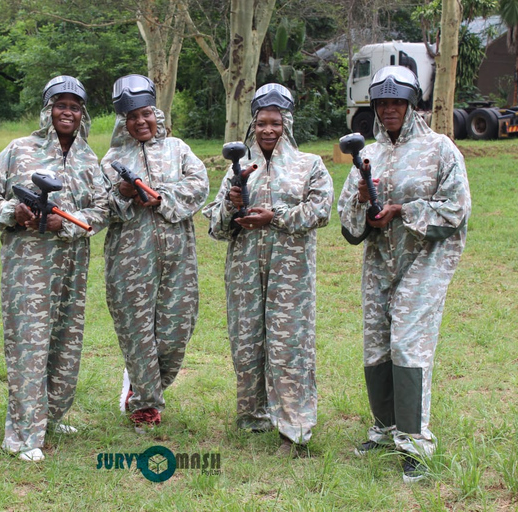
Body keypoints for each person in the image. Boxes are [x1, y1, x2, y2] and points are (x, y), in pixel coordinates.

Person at [337, 66, 471, 483]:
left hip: (425, 261)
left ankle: (414, 444)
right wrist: (364, 205)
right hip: (380, 262)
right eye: (382, 102)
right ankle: (384, 429)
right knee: (376, 343)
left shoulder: (440, 149)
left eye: (397, 102)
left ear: (412, 104)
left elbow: (456, 208)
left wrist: (403, 210)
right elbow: (347, 222)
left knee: (409, 346)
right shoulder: (368, 154)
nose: (389, 109)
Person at [0, 76, 109, 462]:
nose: (67, 112)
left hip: (71, 266)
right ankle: (22, 435)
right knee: (29, 344)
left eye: (75, 106)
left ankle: (51, 414)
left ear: (82, 113)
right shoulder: (20, 150)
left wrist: (63, 223)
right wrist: (12, 212)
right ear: (47, 109)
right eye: (60, 104)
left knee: (66, 340)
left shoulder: (87, 157)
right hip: (27, 266)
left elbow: (100, 211)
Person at [203, 83, 333, 457]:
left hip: (290, 277)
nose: (268, 130)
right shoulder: (240, 168)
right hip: (244, 275)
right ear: (252, 125)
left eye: (275, 123)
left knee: (289, 348)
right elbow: (216, 226)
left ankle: (295, 432)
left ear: (287, 124)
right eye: (261, 123)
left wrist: (274, 217)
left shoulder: (310, 165)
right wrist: (231, 205)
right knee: (247, 344)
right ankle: (253, 417)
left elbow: (321, 212)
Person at [101, 74, 209, 432]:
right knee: (136, 331)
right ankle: (144, 404)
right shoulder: (112, 159)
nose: (140, 122)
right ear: (123, 122)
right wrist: (124, 195)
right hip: (130, 261)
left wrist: (160, 196)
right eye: (132, 117)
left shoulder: (178, 149)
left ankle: (141, 381)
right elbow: (100, 206)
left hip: (178, 258)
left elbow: (199, 185)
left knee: (176, 330)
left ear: (156, 114)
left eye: (145, 113)